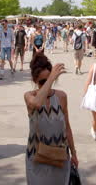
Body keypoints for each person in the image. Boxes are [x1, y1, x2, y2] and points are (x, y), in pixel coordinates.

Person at [24, 53, 78, 184]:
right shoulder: (29, 96)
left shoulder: (61, 97)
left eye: (50, 79)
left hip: (59, 157)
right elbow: (37, 103)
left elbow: (67, 127)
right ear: (34, 80)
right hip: (36, 157)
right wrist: (51, 79)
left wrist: (73, 153)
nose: (47, 84)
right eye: (43, 81)